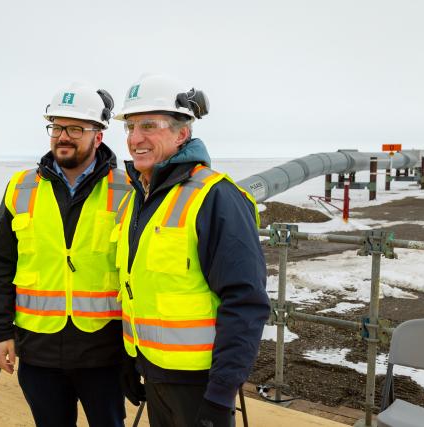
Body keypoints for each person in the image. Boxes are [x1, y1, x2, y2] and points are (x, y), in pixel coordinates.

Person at [112, 74, 270, 427]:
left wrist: (221, 392)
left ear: (182, 133)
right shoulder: (139, 198)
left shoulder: (215, 197)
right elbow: (134, 286)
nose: (135, 138)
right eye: (131, 127)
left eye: (149, 126)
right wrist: (128, 359)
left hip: (200, 383)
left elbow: (245, 301)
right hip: (153, 371)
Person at [0, 82, 131, 427]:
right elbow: (0, 263)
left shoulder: (127, 189)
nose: (63, 136)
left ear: (98, 135)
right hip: (39, 352)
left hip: (104, 353)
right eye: (57, 127)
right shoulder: (21, 187)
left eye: (76, 128)